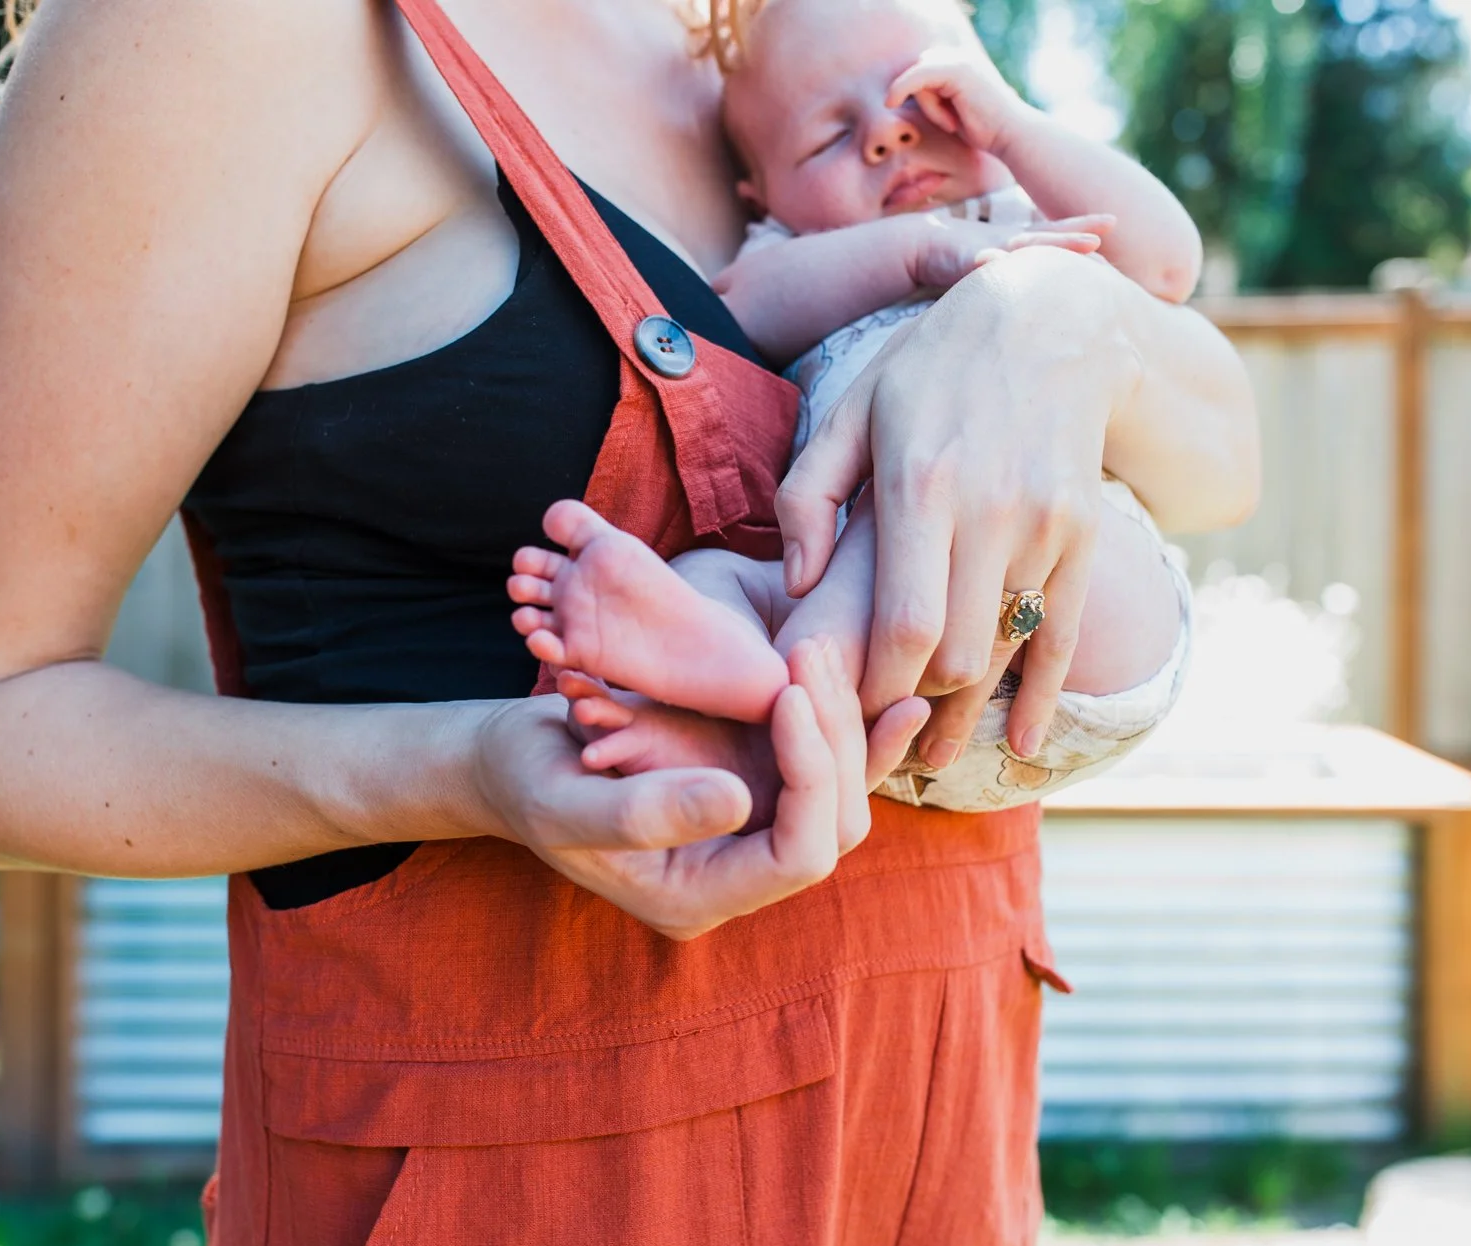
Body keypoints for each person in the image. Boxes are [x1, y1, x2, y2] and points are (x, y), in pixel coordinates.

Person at [0, 0, 1259, 1246]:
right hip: (538, 1221)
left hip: (928, 1185)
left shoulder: (763, 51)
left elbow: (1219, 468)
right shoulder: (227, 37)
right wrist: (471, 768)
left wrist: (1047, 316)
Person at [509, 0, 1199, 815]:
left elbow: (1166, 266)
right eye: (828, 137)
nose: (886, 132)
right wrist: (919, 250)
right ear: (761, 193)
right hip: (886, 678)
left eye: (924, 94)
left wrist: (1012, 129)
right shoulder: (797, 255)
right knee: (718, 580)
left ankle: (781, 709)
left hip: (1087, 609)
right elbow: (740, 304)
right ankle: (725, 708)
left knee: (919, 468)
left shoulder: (1023, 212)